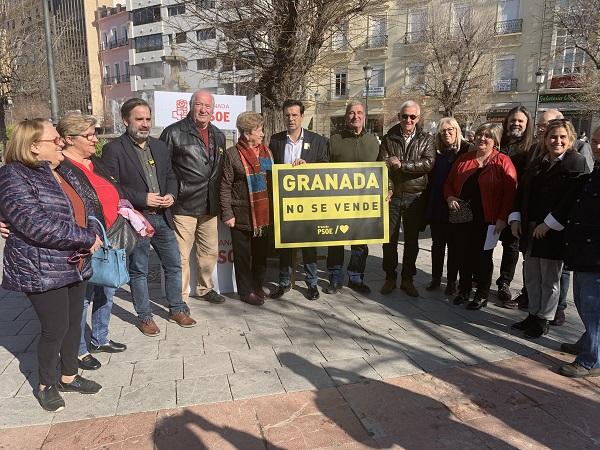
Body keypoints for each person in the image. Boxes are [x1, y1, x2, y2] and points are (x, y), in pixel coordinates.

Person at [0, 119, 103, 412]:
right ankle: (45, 384)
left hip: (73, 260)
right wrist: (86, 237)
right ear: (33, 146)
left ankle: (69, 376)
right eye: (54, 139)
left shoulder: (59, 169)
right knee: (55, 327)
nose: (61, 143)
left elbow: (88, 202)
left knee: (72, 323)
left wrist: (93, 227)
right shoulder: (13, 175)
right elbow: (36, 224)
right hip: (40, 266)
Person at [102, 98, 196, 336]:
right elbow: (111, 187)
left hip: (163, 216)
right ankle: (144, 316)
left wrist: (171, 195)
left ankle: (177, 308)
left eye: (147, 119)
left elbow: (171, 175)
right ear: (126, 121)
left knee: (174, 264)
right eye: (139, 119)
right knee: (140, 269)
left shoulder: (160, 146)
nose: (145, 124)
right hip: (137, 219)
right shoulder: (114, 149)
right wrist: (142, 198)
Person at [507, 109, 594, 328]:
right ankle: (533, 314)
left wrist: (549, 224)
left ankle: (544, 318)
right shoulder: (538, 162)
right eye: (553, 137)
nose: (557, 141)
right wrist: (515, 218)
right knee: (532, 276)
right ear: (545, 139)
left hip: (553, 233)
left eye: (562, 137)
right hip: (530, 228)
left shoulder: (576, 162)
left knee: (550, 280)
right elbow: (522, 191)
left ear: (570, 139)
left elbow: (570, 201)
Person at [56, 114, 127, 371]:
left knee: (107, 288)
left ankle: (100, 337)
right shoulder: (60, 167)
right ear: (68, 139)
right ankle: (78, 350)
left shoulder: (95, 161)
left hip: (109, 236)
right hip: (83, 241)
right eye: (89, 135)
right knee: (82, 297)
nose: (95, 139)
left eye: (94, 133)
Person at [159, 89, 226, 305]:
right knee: (181, 256)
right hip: (184, 204)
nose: (204, 109)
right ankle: (180, 298)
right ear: (191, 106)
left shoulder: (219, 134)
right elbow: (164, 169)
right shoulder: (173, 132)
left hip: (210, 204)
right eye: (199, 105)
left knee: (209, 253)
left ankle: (206, 289)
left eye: (208, 106)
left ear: (213, 110)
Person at [444, 123, 517, 310]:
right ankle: (464, 290)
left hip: (489, 219)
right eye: (479, 134)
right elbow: (449, 183)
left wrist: (502, 217)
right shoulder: (464, 159)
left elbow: (510, 193)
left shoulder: (503, 161)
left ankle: (482, 294)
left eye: (487, 136)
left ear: (495, 140)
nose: (482, 138)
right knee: (463, 255)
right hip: (463, 217)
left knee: (483, 257)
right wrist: (450, 196)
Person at [268, 100, 329, 301]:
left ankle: (312, 284)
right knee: (284, 244)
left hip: (307, 202)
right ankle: (284, 282)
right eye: (287, 115)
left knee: (309, 243)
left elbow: (325, 168)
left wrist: (308, 166)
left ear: (302, 116)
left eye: (295, 115)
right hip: (284, 203)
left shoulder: (318, 140)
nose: (291, 119)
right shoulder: (275, 140)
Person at [378, 100, 435, 298]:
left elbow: (428, 163)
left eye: (413, 117)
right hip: (393, 197)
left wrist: (401, 165)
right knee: (389, 240)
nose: (408, 120)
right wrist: (389, 187)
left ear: (418, 118)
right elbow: (383, 165)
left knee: (411, 241)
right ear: (399, 117)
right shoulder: (389, 138)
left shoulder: (426, 139)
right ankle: (390, 277)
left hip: (415, 197)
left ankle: (408, 279)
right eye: (405, 116)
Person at [325, 101, 380, 294]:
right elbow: (322, 169)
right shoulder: (334, 140)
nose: (355, 116)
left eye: (359, 113)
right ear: (346, 116)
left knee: (360, 242)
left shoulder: (374, 141)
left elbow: (382, 171)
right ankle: (334, 277)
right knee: (336, 240)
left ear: (364, 115)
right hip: (338, 202)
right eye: (351, 113)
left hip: (363, 203)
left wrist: (387, 189)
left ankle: (356, 278)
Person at [220, 112, 273, 306]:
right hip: (241, 214)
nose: (262, 133)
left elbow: (272, 180)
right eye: (259, 130)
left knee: (260, 255)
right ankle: (245, 291)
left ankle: (258, 286)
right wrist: (227, 213)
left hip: (263, 214)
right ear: (247, 133)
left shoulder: (267, 152)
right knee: (242, 257)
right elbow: (225, 185)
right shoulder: (232, 154)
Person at [554, 158, 600, 377]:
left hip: (596, 254)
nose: (597, 146)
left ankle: (592, 359)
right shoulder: (594, 174)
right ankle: (589, 341)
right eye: (595, 141)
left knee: (593, 308)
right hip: (584, 252)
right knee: (583, 302)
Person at [424, 117, 470, 295]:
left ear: (457, 131)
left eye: (450, 130)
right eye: (443, 131)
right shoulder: (436, 151)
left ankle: (451, 281)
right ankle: (435, 278)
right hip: (438, 205)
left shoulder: (466, 150)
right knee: (438, 245)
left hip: (457, 205)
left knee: (455, 247)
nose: (447, 134)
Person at [496, 106, 534, 304]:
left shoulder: (530, 148)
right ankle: (479, 276)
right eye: (513, 120)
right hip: (493, 201)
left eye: (520, 121)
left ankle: (504, 282)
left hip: (515, 204)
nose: (516, 124)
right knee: (485, 240)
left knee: (511, 246)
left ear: (527, 125)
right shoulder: (498, 142)